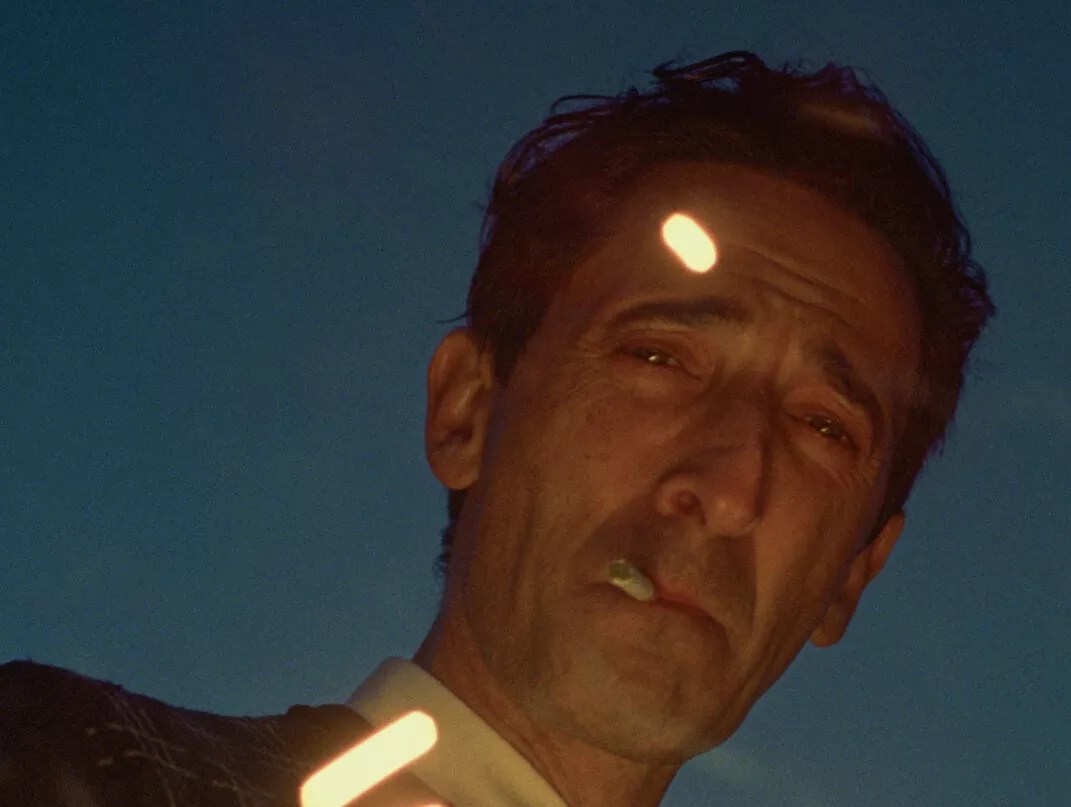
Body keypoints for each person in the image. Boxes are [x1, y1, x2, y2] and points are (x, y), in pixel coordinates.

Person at [0, 50, 993, 806]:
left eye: (823, 425)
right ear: (468, 412)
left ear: (852, 573)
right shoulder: (71, 768)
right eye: (658, 358)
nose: (733, 484)